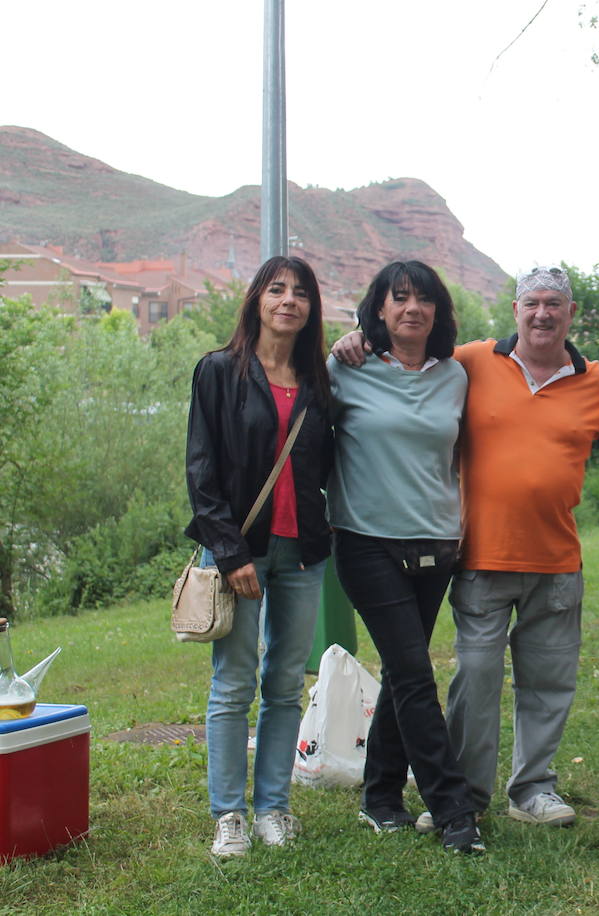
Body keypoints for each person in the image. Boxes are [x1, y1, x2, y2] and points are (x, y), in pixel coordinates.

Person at [445, 267, 599, 826]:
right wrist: (357, 339)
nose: (543, 313)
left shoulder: (595, 384)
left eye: (554, 304)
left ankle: (532, 791)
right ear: (515, 310)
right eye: (532, 303)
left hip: (556, 561)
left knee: (548, 683)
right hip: (481, 558)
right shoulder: (471, 361)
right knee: (475, 681)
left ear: (571, 314)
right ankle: (465, 797)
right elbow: (407, 363)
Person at [328, 261, 482, 854]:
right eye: (400, 298)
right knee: (417, 676)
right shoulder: (348, 368)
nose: (412, 308)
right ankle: (453, 811)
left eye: (423, 299)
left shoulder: (456, 376)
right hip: (365, 542)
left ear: (437, 312)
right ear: (381, 309)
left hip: (435, 545)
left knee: (402, 670)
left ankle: (381, 798)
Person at [185, 256, 334, 857]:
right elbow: (202, 471)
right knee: (233, 683)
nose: (288, 301)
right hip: (239, 551)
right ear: (257, 300)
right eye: (277, 290)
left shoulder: (319, 380)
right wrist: (229, 553)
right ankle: (230, 816)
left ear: (310, 308)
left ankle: (273, 808)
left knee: (283, 685)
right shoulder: (219, 371)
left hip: (303, 553)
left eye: (300, 293)